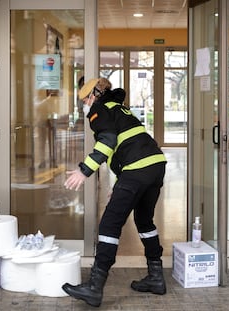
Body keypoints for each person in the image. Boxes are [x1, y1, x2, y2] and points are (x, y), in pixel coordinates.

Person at [62, 78, 167, 307]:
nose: (85, 105)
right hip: (155, 165)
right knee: (144, 221)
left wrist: (84, 171)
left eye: (85, 99)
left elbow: (108, 142)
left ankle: (94, 287)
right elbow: (126, 147)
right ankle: (156, 277)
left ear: (94, 96)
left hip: (137, 170)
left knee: (109, 225)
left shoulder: (99, 110)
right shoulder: (120, 108)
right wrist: (118, 183)